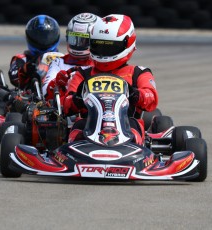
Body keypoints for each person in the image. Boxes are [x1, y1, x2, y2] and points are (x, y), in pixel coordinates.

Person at [63, 14, 159, 144]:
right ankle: (73, 154)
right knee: (77, 129)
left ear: (127, 43)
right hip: (88, 127)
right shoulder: (83, 73)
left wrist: (134, 94)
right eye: (98, 45)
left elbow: (151, 99)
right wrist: (77, 99)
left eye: (109, 46)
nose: (103, 52)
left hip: (126, 126)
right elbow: (66, 105)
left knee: (133, 127)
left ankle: (134, 153)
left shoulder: (138, 73)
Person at [42, 12, 99, 101]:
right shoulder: (59, 62)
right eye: (74, 39)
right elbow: (45, 92)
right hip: (65, 109)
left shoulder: (101, 64)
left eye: (83, 41)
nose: (77, 44)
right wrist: (56, 82)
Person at [8, 14, 61, 91]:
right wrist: (26, 69)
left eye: (46, 37)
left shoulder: (63, 59)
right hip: (32, 97)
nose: (43, 40)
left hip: (59, 93)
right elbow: (14, 79)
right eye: (39, 36)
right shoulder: (22, 59)